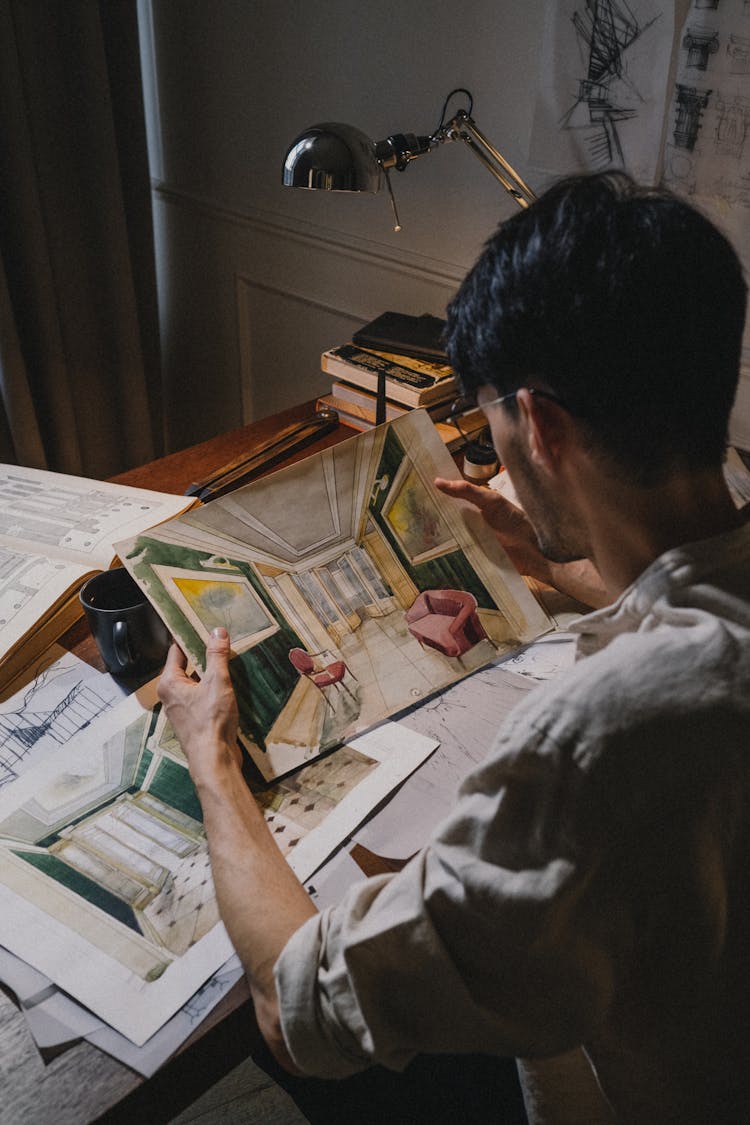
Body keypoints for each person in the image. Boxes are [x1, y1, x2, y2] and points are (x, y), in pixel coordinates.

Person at [158, 172, 750, 1124]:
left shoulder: (596, 740)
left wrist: (212, 760)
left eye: (494, 426)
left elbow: (290, 1006)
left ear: (542, 426)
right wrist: (566, 568)